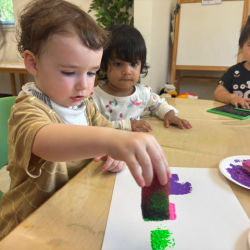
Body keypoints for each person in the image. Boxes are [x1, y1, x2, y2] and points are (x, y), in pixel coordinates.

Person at [0, 0, 171, 239]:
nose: (84, 85)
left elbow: (105, 132)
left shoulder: (85, 106)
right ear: (33, 63)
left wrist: (115, 151)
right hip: (28, 222)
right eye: (69, 72)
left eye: (91, 72)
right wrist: (110, 140)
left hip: (75, 205)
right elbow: (46, 141)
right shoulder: (28, 109)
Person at [89, 24, 192, 132]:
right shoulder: (93, 98)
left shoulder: (144, 94)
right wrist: (125, 124)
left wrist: (169, 114)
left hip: (137, 145)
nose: (127, 71)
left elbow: (159, 104)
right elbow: (87, 127)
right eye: (118, 64)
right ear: (103, 67)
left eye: (133, 64)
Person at [214, 16, 250, 109]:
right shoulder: (234, 71)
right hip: (236, 117)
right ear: (242, 46)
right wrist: (232, 98)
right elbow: (218, 93)